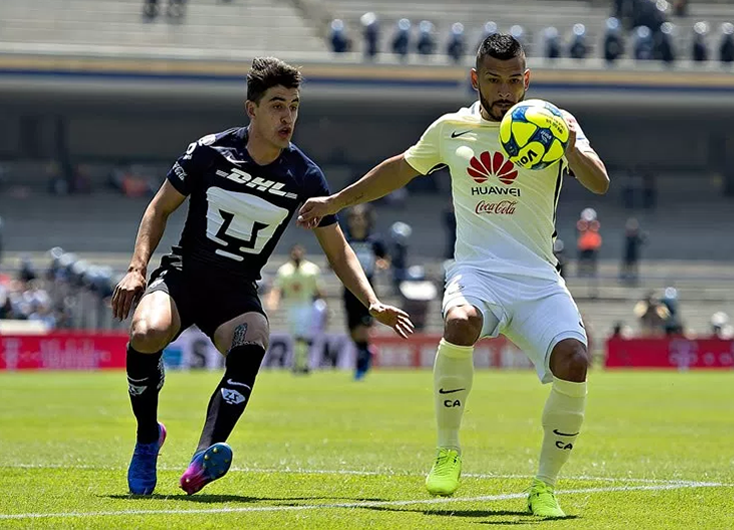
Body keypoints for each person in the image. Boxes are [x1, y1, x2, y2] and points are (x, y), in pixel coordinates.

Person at [297, 34, 609, 517]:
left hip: (538, 279)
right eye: (493, 80)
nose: (504, 90)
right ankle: (448, 450)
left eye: (513, 80)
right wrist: (336, 201)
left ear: (526, 80)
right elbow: (400, 169)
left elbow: (599, 182)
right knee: (460, 322)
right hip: (477, 272)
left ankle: (543, 488)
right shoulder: (450, 128)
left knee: (575, 361)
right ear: (475, 80)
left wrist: (569, 145)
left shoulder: (555, 123)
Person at [111, 57, 413, 497]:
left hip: (235, 292)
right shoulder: (209, 152)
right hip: (184, 276)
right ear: (252, 109)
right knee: (146, 333)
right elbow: (159, 208)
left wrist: (372, 302)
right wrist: (137, 270)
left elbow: (339, 250)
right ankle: (146, 439)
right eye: (276, 105)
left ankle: (203, 456)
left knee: (253, 341)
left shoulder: (304, 176)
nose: (287, 116)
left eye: (293, 106)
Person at [343, 204, 389, 380]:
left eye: (361, 218)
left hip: (368, 289)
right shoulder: (345, 240)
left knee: (363, 329)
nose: (357, 221)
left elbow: (385, 258)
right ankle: (365, 352)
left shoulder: (374, 241)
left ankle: (362, 365)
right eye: (354, 218)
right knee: (353, 330)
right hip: (348, 290)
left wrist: (382, 264)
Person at [266, 244, 323, 374]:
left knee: (303, 335)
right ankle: (300, 363)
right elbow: (277, 288)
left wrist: (324, 304)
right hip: (291, 305)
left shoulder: (311, 269)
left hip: (306, 305)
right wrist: (273, 302)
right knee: (297, 335)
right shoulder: (284, 270)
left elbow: (318, 289)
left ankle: (301, 363)